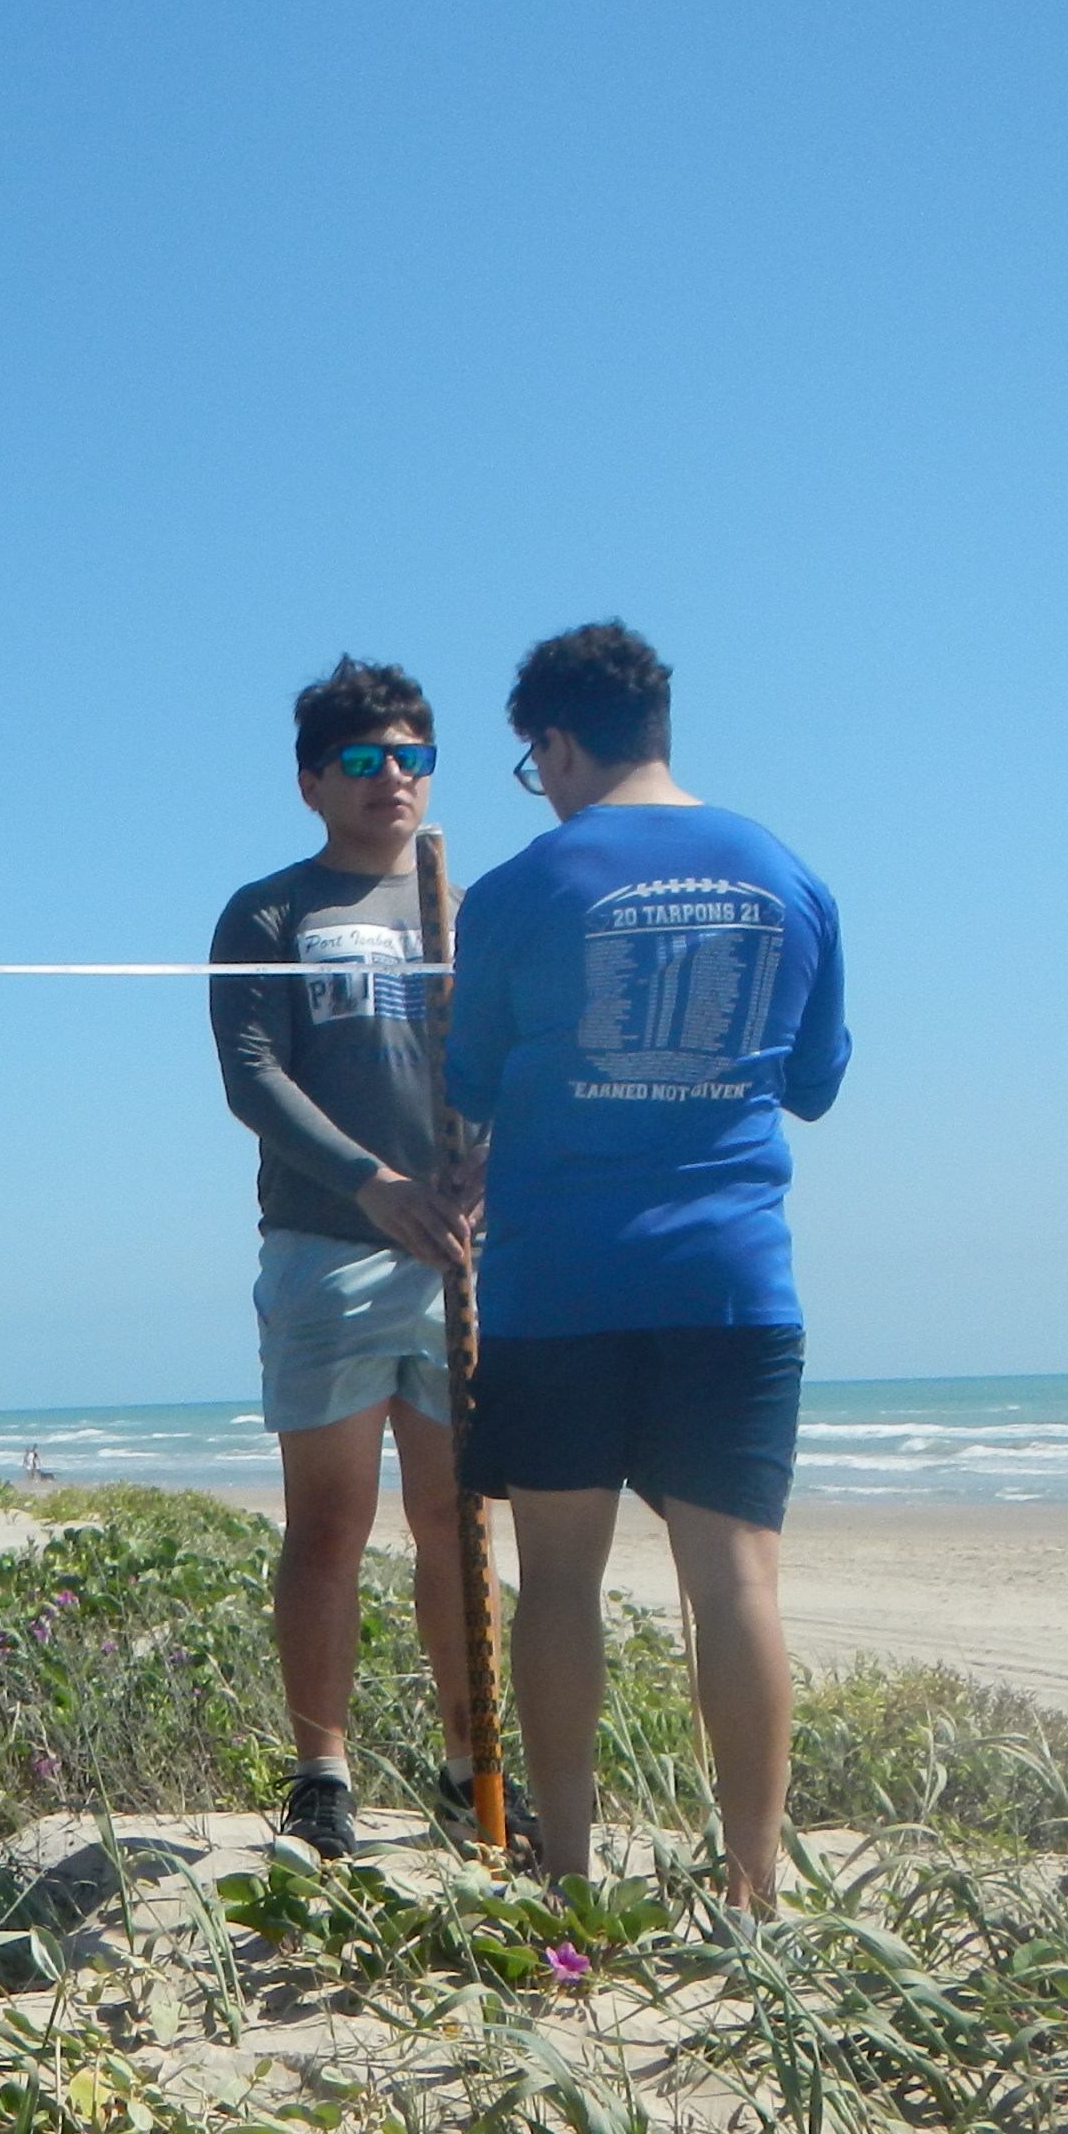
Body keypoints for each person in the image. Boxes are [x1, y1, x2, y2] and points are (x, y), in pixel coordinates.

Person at [441, 623, 849, 1912]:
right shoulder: (785, 874)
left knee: (559, 1578)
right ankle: (751, 1888)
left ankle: (567, 1870)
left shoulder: (514, 891)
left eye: (535, 762)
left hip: (559, 1280)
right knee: (733, 1579)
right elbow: (815, 1086)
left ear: (556, 742)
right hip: (729, 1278)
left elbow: (468, 1088)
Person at [209, 654, 486, 1860]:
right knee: (328, 1523)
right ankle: (321, 1773)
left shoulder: (463, 910)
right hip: (328, 1247)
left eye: (412, 758)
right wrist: (370, 1185)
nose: (392, 781)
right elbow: (253, 1077)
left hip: (462, 1253)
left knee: (454, 1521)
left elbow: (514, 1060)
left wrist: (483, 1170)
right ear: (314, 778)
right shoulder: (271, 912)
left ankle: (468, 1759)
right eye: (365, 760)